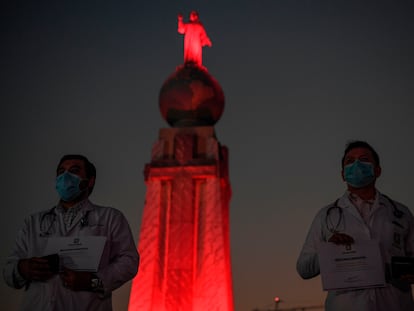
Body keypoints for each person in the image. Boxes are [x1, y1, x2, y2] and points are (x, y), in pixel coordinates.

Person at [3, 154, 139, 311]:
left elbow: (129, 262)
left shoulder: (110, 218)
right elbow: (8, 272)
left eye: (74, 171)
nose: (65, 176)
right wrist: (22, 268)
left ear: (90, 181)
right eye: (61, 172)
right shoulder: (33, 222)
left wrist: (92, 281)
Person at [297, 141, 414, 311]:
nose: (357, 165)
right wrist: (329, 249)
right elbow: (304, 269)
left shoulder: (401, 213)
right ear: (343, 174)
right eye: (350, 161)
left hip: (395, 303)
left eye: (364, 159)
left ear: (378, 170)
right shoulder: (327, 215)